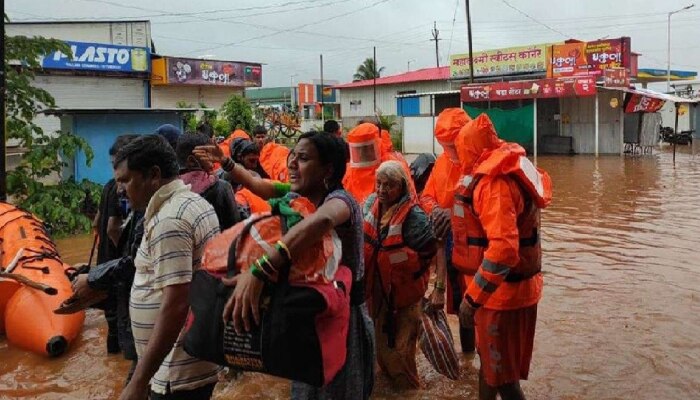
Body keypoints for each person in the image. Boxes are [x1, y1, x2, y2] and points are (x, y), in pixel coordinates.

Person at [193, 132, 375, 400]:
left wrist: (260, 270)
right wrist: (227, 163)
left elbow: (321, 222)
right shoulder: (296, 196)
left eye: (303, 158)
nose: (292, 164)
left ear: (328, 169)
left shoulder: (341, 202)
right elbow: (258, 184)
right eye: (293, 156)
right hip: (305, 315)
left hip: (342, 321)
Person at [114, 134, 221, 400]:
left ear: (153, 174)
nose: (120, 190)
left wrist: (139, 381)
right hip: (188, 361)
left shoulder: (169, 220)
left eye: (126, 180)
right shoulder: (193, 203)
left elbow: (176, 303)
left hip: (174, 371)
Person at [453, 114, 552, 400]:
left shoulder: (494, 185)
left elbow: (504, 251)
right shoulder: (509, 169)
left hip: (502, 297)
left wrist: (472, 300)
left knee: (505, 378)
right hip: (510, 291)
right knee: (491, 366)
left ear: (470, 150)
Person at [363, 161, 436, 389]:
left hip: (404, 299)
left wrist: (439, 288)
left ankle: (409, 392)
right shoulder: (369, 204)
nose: (382, 190)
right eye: (379, 184)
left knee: (402, 355)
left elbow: (435, 249)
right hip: (376, 293)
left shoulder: (415, 217)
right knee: (380, 351)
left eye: (389, 185)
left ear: (402, 187)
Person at [419, 108, 474, 353]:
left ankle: (477, 359)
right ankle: (468, 357)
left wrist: (449, 215)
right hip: (451, 247)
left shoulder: (481, 163)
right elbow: (427, 196)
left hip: (478, 248)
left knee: (475, 307)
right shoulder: (442, 162)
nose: (450, 149)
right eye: (445, 144)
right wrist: (437, 211)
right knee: (461, 305)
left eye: (453, 144)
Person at [92, 133, 139, 354]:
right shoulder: (121, 190)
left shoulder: (107, 186)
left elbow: (96, 223)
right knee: (124, 325)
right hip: (117, 268)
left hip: (104, 264)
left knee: (112, 324)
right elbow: (111, 228)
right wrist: (126, 252)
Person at [175, 133, 240, 231]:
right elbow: (235, 230)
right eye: (208, 154)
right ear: (192, 161)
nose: (213, 160)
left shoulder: (168, 188)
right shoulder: (221, 188)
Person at [343, 123, 416, 207]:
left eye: (365, 148)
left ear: (376, 144)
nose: (361, 153)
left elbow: (410, 197)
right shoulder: (349, 171)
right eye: (358, 149)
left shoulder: (393, 166)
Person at [228, 137, 272, 216]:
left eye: (256, 161)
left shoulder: (256, 173)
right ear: (239, 157)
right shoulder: (226, 175)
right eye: (251, 161)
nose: (254, 165)